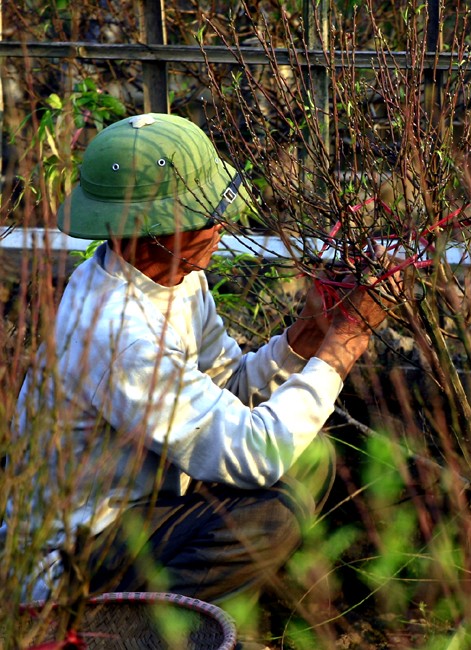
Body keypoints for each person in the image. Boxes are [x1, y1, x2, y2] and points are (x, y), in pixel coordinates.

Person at [9, 112, 395, 606]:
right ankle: (142, 633)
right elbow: (258, 454)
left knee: (311, 457)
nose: (220, 226)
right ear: (155, 233)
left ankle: (217, 622)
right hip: (77, 550)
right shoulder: (121, 335)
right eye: (207, 216)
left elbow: (227, 387)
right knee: (269, 514)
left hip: (141, 508)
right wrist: (345, 342)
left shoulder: (173, 279)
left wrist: (308, 334)